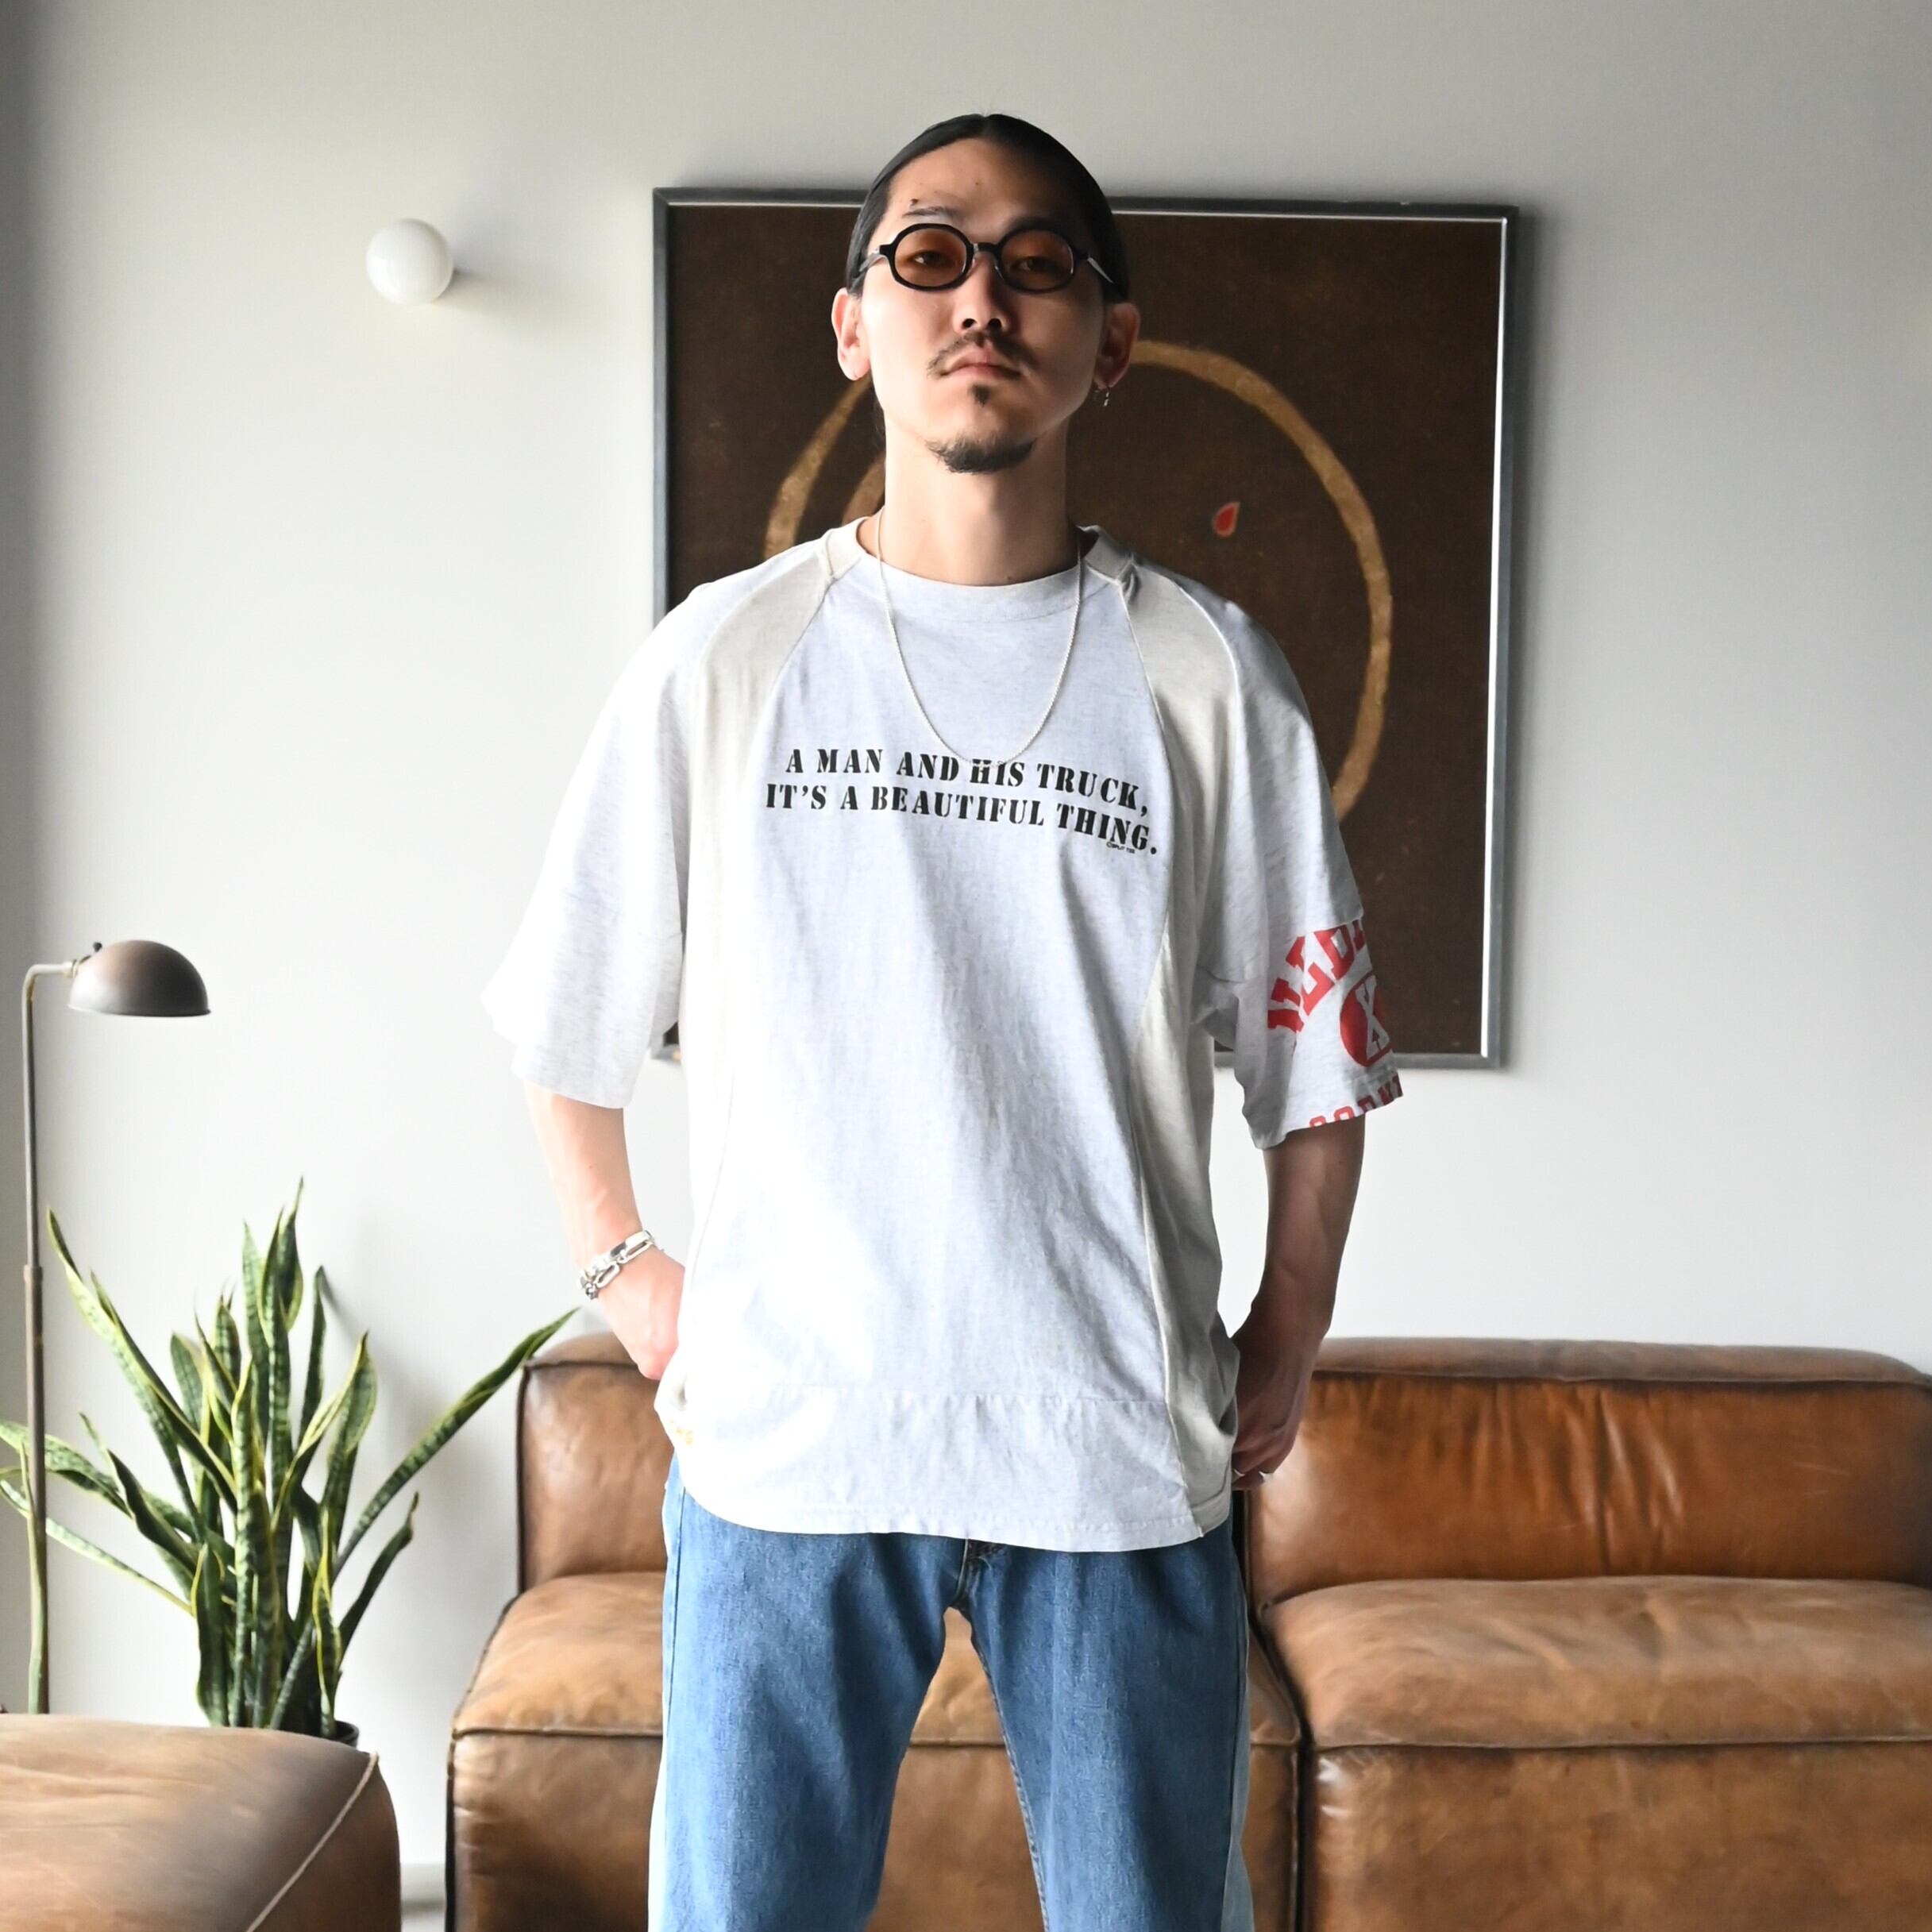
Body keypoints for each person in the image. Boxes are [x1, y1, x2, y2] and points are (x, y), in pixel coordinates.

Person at [481, 110, 1405, 1932]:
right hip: (790, 1448)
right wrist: (629, 1276)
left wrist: (1289, 1323)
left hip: (1111, 1446)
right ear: (855, 325)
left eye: (1037, 262)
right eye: (929, 255)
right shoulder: (722, 657)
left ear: (1107, 341)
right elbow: (561, 1017)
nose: (982, 296)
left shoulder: (1203, 671)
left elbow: (1314, 1057)